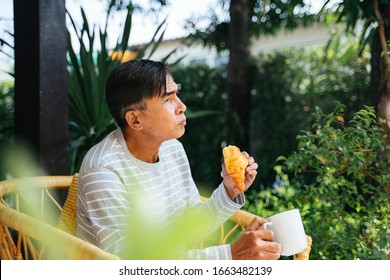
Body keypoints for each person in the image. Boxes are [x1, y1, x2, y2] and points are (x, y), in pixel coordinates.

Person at [75, 59, 282, 260]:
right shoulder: (103, 170)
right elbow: (131, 262)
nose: (181, 106)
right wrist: (231, 255)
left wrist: (230, 190)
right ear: (135, 119)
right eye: (167, 99)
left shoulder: (172, 148)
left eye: (177, 94)